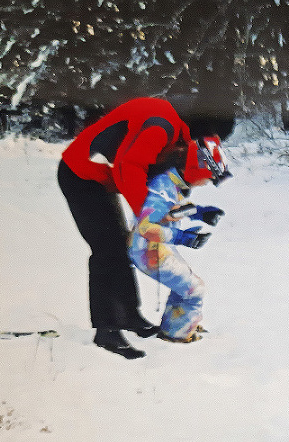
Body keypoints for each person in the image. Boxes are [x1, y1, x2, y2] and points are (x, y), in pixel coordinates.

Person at [58, 97, 232, 359]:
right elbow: (128, 169)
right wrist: (148, 217)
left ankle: (129, 316)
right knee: (108, 251)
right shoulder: (160, 128)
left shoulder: (173, 131)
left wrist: (187, 211)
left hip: (99, 178)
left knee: (120, 246)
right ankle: (106, 329)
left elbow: (145, 171)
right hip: (80, 175)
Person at [128, 136, 230, 343]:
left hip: (155, 247)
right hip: (147, 250)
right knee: (194, 289)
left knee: (184, 285)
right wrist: (182, 237)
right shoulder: (162, 188)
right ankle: (178, 333)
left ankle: (179, 324)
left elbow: (173, 211)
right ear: (195, 170)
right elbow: (147, 227)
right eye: (209, 178)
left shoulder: (173, 181)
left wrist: (200, 213)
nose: (207, 183)